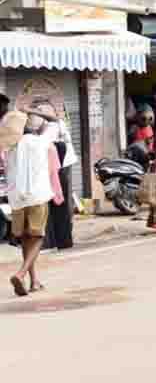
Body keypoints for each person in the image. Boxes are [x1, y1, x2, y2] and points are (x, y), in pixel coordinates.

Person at [5, 111, 62, 296]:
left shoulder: (10, 148)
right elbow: (55, 121)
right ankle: (21, 274)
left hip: (16, 199)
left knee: (25, 240)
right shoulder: (40, 142)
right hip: (37, 196)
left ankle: (34, 281)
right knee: (37, 238)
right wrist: (33, 111)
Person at [36, 103, 76, 251]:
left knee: (59, 205)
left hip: (61, 168)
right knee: (60, 205)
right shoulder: (50, 127)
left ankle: (61, 239)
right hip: (58, 168)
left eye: (40, 111)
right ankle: (62, 239)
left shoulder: (55, 125)